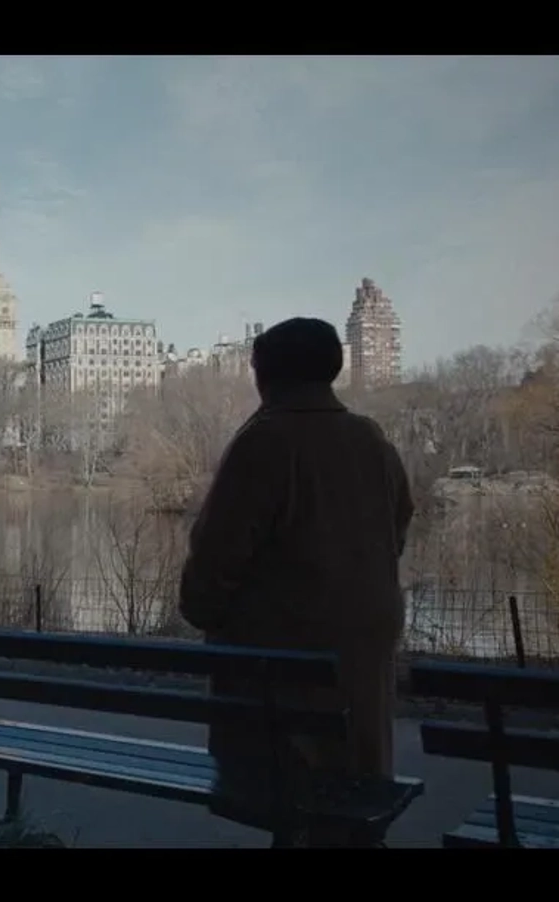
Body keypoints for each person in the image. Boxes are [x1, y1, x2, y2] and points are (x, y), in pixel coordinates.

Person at [176, 317, 414, 848]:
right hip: (361, 661)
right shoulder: (371, 440)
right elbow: (396, 528)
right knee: (347, 792)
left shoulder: (263, 443)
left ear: (266, 374)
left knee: (295, 795)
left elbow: (214, 562)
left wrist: (207, 611)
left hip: (278, 671)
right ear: (332, 370)